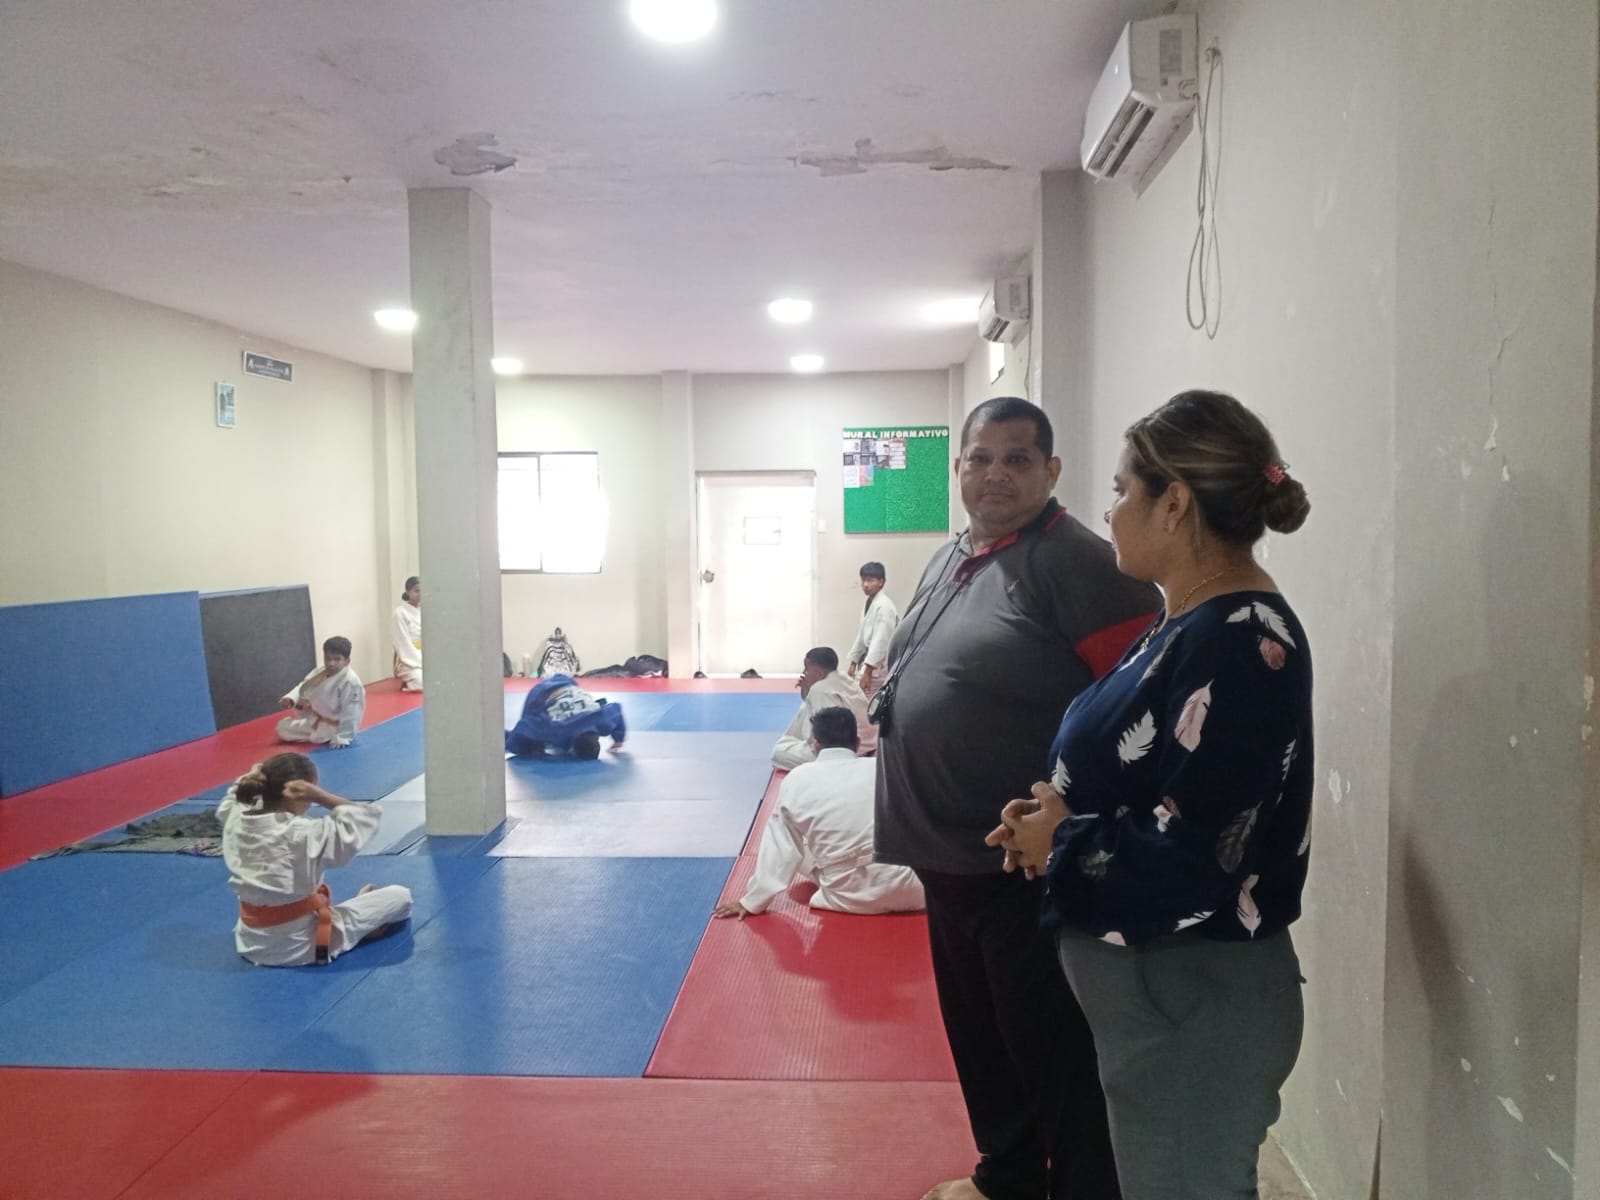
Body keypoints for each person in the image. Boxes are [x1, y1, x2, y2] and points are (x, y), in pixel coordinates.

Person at [990, 390, 1313, 1200]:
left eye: (1121, 490)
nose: (1110, 513)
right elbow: (1145, 779)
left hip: (1195, 997)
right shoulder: (1187, 622)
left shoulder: (1242, 644)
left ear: (1173, 504)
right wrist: (1050, 814)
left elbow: (1202, 855)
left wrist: (1059, 842)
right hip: (1161, 999)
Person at [874, 396, 1160, 1200]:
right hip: (943, 854)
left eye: (1017, 458)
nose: (995, 473)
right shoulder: (954, 554)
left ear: (1051, 470)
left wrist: (1080, 820)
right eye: (980, 458)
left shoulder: (1080, 564)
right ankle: (1008, 1176)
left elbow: (1140, 713)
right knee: (981, 1042)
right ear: (958, 467)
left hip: (1022, 863)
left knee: (1051, 1051)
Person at [714, 706, 924, 919]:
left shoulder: (797, 779)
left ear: (815, 744)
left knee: (797, 844)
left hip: (847, 895)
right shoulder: (886, 768)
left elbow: (780, 849)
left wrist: (752, 902)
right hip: (912, 889)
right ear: (857, 742)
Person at [218, 753, 412, 967]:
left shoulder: (236, 818)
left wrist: (254, 774)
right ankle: (358, 925)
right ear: (300, 794)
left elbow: (234, 796)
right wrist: (321, 796)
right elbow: (364, 818)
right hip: (300, 947)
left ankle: (357, 916)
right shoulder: (301, 833)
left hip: (250, 941)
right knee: (400, 897)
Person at [771, 646, 875, 770]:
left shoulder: (820, 689)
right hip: (866, 745)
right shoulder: (845, 679)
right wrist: (808, 691)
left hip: (844, 754)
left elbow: (826, 737)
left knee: (778, 753)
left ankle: (827, 767)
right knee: (805, 707)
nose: (804, 673)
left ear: (819, 673)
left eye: (807, 670)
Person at [505, 673, 627, 759]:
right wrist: (519, 747)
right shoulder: (556, 731)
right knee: (534, 737)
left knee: (535, 735)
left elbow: (616, 710)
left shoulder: (601, 719)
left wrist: (619, 739)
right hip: (541, 693)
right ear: (573, 748)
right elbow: (524, 725)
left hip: (569, 685)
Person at [276, 636, 365, 749]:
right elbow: (304, 687)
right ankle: (314, 733)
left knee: (297, 732)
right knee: (281, 728)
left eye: (337, 659)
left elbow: (352, 711)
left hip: (334, 727)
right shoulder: (321, 671)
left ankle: (325, 735)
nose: (331, 663)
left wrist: (343, 736)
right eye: (328, 658)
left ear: (347, 661)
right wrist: (291, 698)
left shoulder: (351, 682)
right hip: (315, 719)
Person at [847, 560, 900, 698]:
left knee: (868, 702)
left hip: (878, 668)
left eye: (870, 580)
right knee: (860, 700)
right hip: (868, 663)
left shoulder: (884, 607)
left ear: (881, 582)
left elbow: (881, 640)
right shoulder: (871, 602)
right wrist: (853, 661)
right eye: (863, 580)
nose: (865, 585)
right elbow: (861, 635)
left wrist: (868, 671)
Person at [391, 576, 423, 691]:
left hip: (426, 656)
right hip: (409, 660)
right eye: (416, 591)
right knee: (423, 683)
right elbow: (402, 641)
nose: (420, 594)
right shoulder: (400, 613)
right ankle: (408, 683)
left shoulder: (426, 610)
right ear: (408, 592)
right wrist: (420, 662)